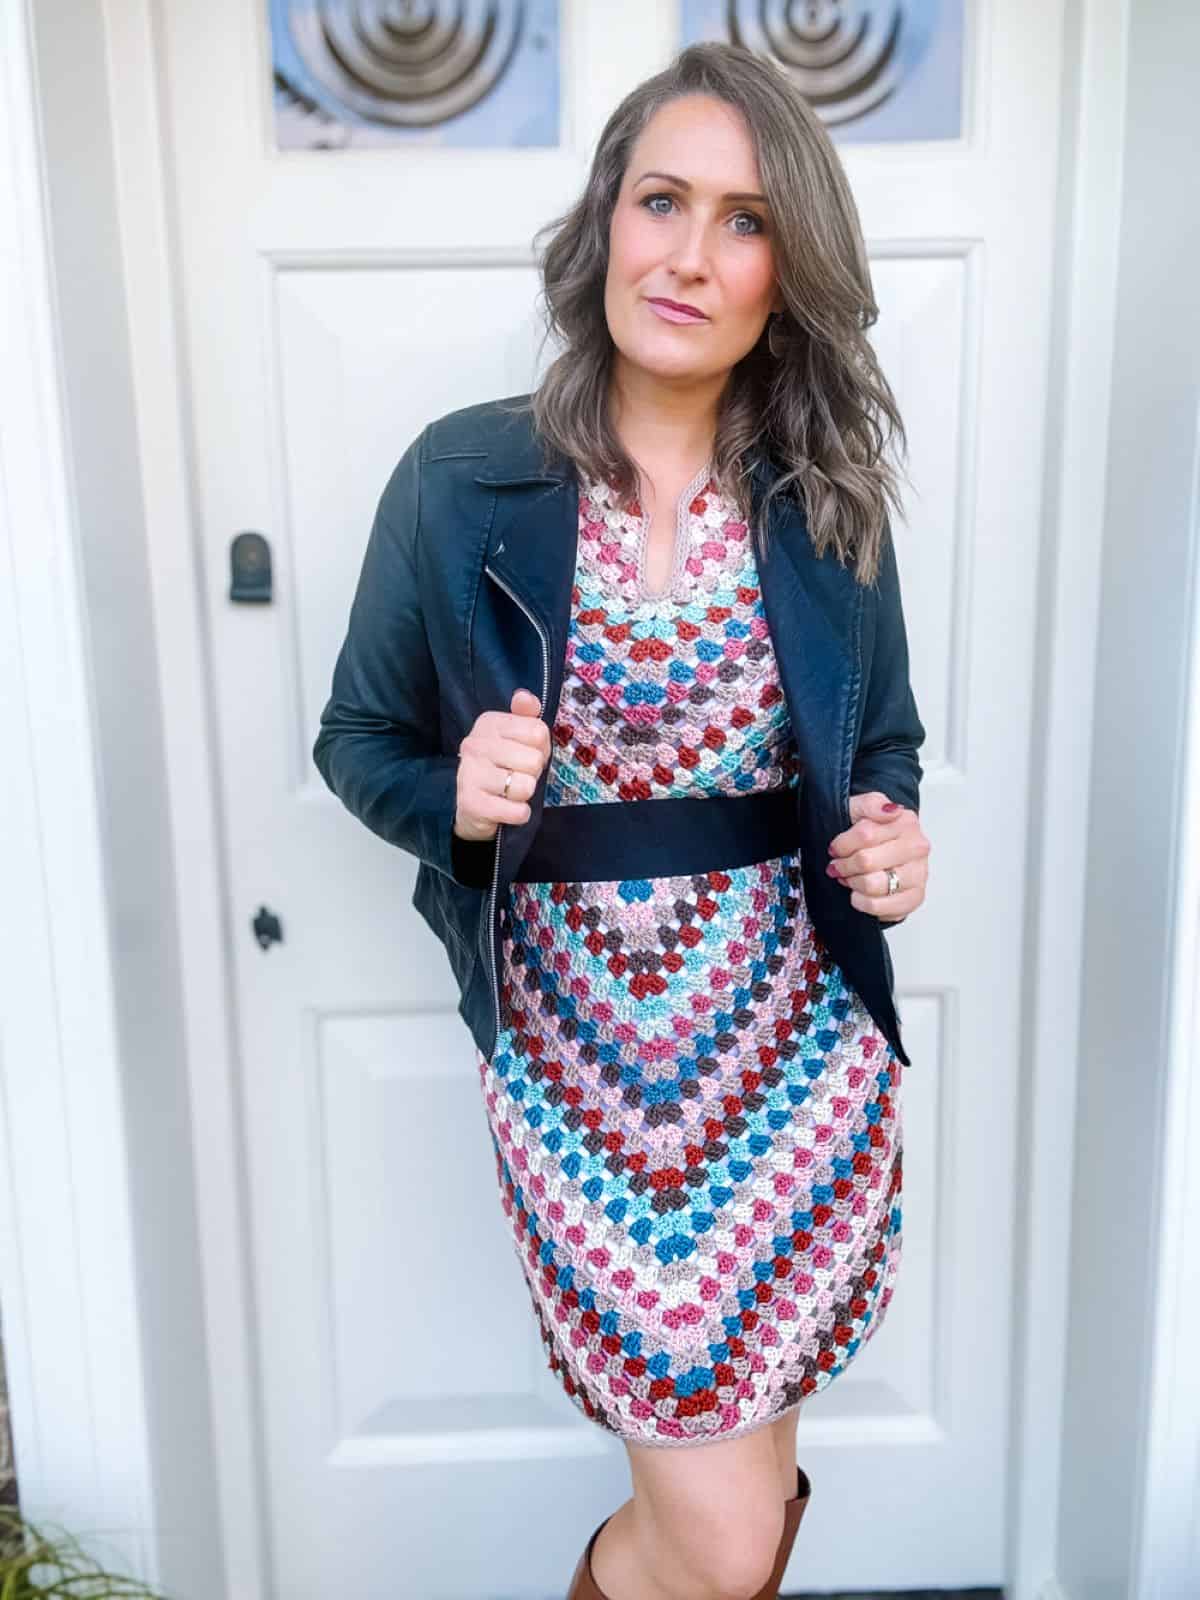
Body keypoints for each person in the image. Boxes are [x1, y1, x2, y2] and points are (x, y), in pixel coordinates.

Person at [313, 40, 930, 1600]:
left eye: (745, 220)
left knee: (744, 1511)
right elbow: (355, 739)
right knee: (718, 1540)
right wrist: (454, 798)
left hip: (796, 1054)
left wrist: (891, 836)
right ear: (606, 222)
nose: (692, 254)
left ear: (784, 277)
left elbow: (888, 745)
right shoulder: (462, 482)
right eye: (665, 200)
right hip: (578, 1068)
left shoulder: (826, 500)